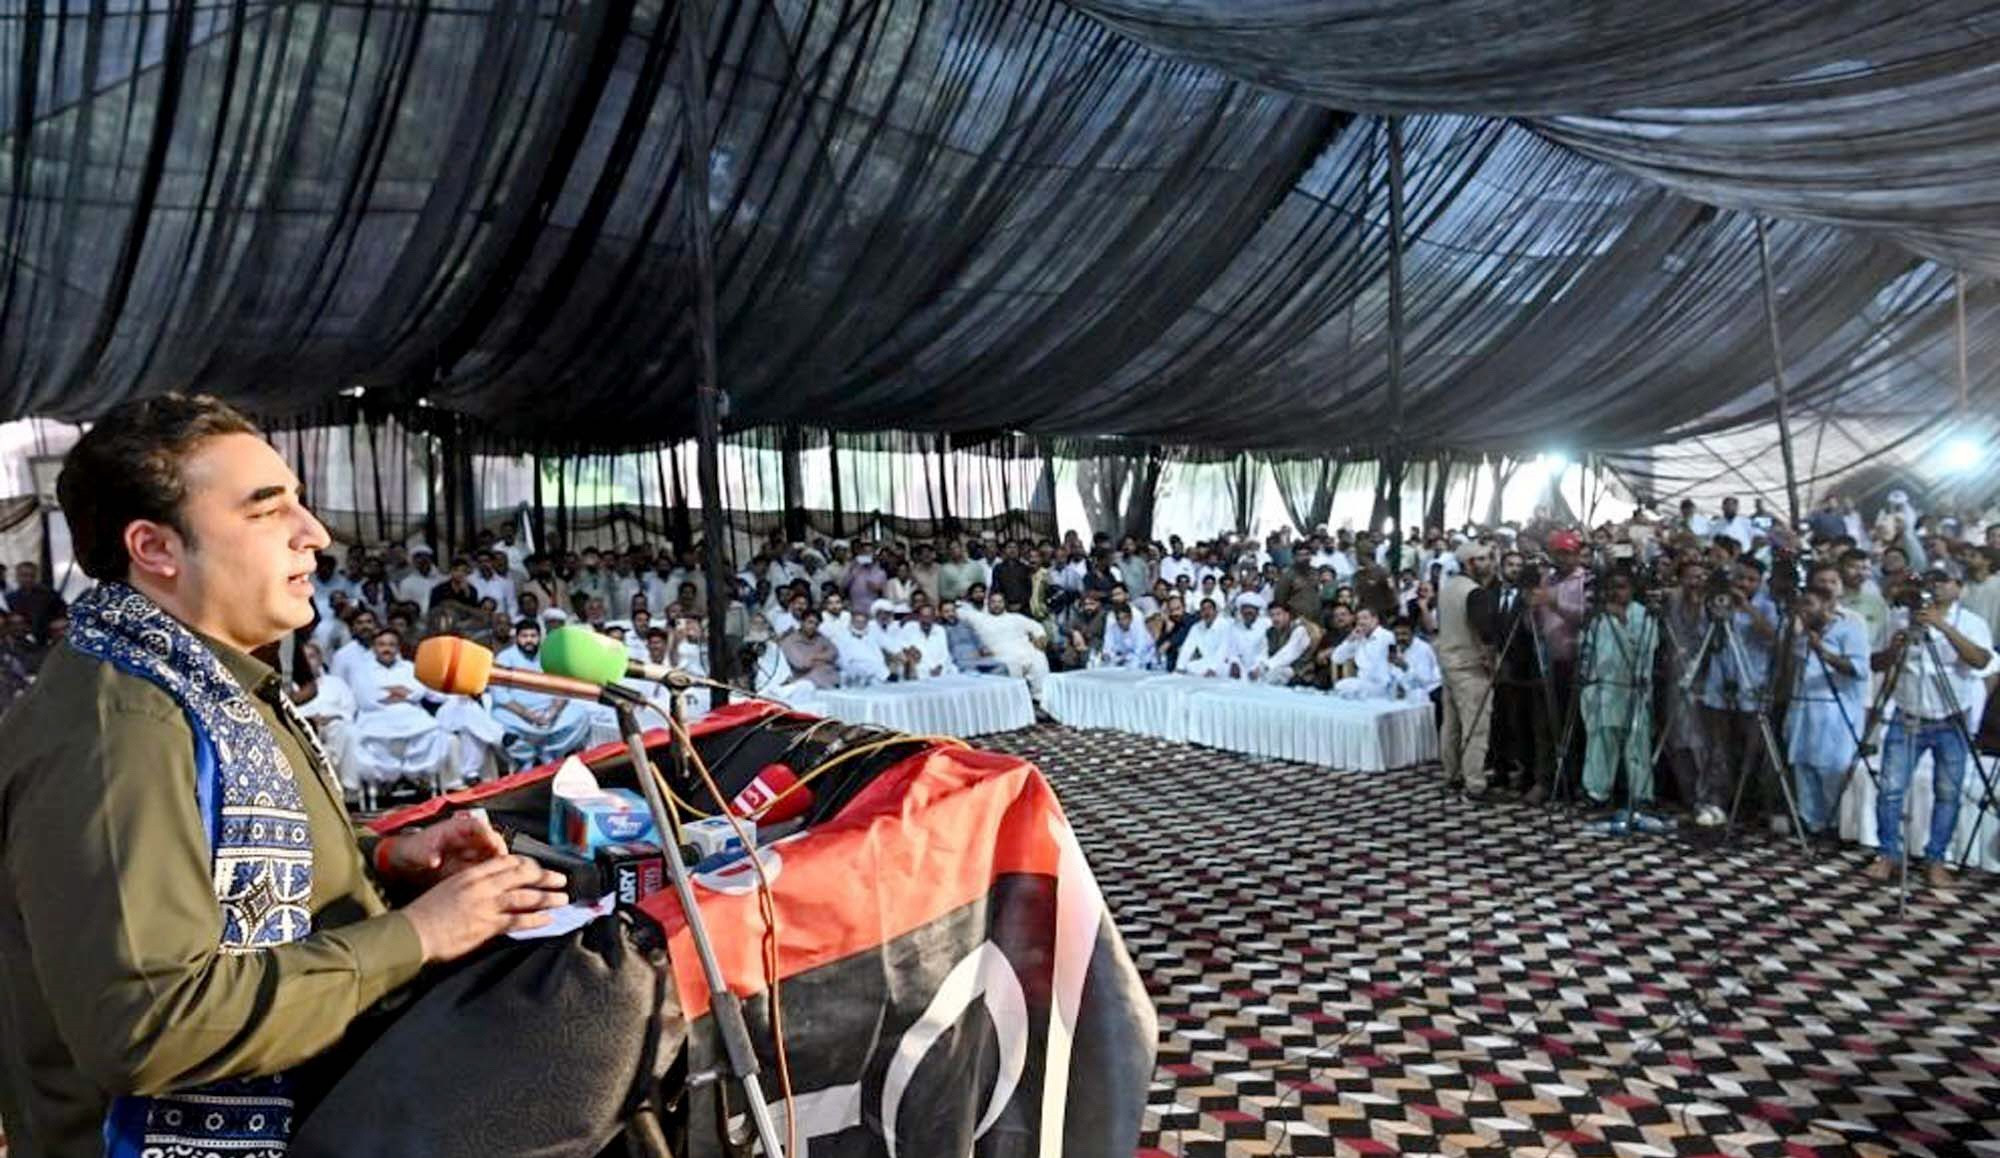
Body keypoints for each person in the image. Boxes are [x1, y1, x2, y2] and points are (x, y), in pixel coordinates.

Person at [0, 394, 567, 1158]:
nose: (316, 535)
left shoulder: (198, 683)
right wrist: (418, 935)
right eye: (268, 511)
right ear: (155, 547)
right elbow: (148, 1024)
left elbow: (220, 873)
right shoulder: (123, 729)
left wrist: (381, 863)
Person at [1867, 568, 1994, 887]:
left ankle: (1936, 859)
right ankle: (1888, 853)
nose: (1935, 587)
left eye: (1943, 580)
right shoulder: (1899, 618)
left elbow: (1980, 661)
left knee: (1947, 792)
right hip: (1907, 715)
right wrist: (1895, 647)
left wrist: (1942, 626)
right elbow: (1876, 664)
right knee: (1891, 788)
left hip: (1951, 719)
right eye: (1928, 583)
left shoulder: (1972, 622)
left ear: (1959, 587)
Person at [1692, 559, 1779, 829]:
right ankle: (1716, 803)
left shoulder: (1766, 605)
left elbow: (1772, 636)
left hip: (1751, 686)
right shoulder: (1716, 602)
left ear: (1760, 582)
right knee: (1718, 749)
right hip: (1719, 687)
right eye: (1741, 578)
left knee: (1755, 750)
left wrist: (1746, 607)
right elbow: (1705, 638)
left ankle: (1756, 806)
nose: (1744, 584)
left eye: (1752, 580)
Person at [1784, 569, 1870, 837]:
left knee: (1832, 771)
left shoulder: (1850, 628)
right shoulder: (1798, 632)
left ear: (1826, 605)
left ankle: (1836, 826)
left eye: (1809, 605)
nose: (1804, 611)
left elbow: (1858, 669)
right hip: (1803, 706)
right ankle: (1811, 824)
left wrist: (1824, 651)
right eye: (1802, 605)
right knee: (1803, 766)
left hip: (1835, 709)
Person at [1575, 570, 1661, 827]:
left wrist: (1622, 621)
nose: (1616, 592)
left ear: (1632, 589)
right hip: (1603, 689)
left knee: (1637, 744)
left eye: (1621, 587)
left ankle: (1641, 795)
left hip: (1633, 688)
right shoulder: (1598, 616)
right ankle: (1597, 793)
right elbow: (1587, 649)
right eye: (1611, 587)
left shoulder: (1643, 615)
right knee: (1600, 743)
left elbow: (1647, 650)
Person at [1436, 542, 1497, 798]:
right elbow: (1485, 632)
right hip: (1470, 666)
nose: (1489, 563)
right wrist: (1492, 660)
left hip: (1448, 662)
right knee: (1475, 726)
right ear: (1470, 563)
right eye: (1482, 559)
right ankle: (1475, 783)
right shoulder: (1474, 593)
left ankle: (1452, 775)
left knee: (1451, 725)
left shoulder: (1447, 588)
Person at [490, 620, 594, 767]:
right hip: (519, 715)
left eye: (533, 636)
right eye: (524, 636)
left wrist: (552, 712)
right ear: (516, 638)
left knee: (580, 715)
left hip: (549, 714)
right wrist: (528, 714)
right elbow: (500, 695)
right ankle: (529, 758)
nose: (529, 640)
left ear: (540, 637)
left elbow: (564, 688)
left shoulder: (549, 655)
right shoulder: (504, 658)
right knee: (500, 719)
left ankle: (549, 752)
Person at [958, 592, 1051, 700]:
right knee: (1011, 665)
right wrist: (964, 600)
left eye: (1000, 602)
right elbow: (959, 612)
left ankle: (1041, 699)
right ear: (987, 603)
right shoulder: (979, 618)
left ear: (1004, 603)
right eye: (993, 602)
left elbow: (1036, 626)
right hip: (1002, 655)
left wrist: (1040, 637)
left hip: (1026, 651)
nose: (997, 605)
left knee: (1039, 657)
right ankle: (1018, 701)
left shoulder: (1015, 618)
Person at [1329, 607, 1394, 698]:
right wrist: (1350, 639)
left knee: (1350, 689)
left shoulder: (1388, 636)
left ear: (1375, 620)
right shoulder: (1358, 638)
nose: (1361, 622)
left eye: (1365, 618)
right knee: (1341, 686)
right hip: (1363, 683)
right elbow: (1336, 658)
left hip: (1383, 685)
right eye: (1358, 619)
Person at [777, 609, 841, 689]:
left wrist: (815, 657)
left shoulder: (819, 637)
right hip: (803, 680)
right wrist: (824, 659)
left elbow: (834, 652)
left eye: (816, 624)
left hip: (826, 677)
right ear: (802, 622)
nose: (813, 626)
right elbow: (802, 664)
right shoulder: (790, 641)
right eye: (810, 622)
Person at [1386, 617, 1443, 704]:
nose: (1400, 638)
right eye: (1396, 634)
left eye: (1404, 634)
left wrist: (1405, 667)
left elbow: (1424, 680)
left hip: (1429, 695)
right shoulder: (1395, 648)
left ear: (1413, 633)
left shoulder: (1423, 649)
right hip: (1404, 694)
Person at [1097, 604, 1157, 669]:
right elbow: (1107, 648)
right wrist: (1109, 655)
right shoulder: (1113, 628)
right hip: (1121, 662)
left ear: (1131, 618)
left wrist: (1126, 657)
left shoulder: (1139, 628)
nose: (1121, 622)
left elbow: (1139, 651)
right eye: (1118, 619)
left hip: (1145, 660)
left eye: (1124, 618)